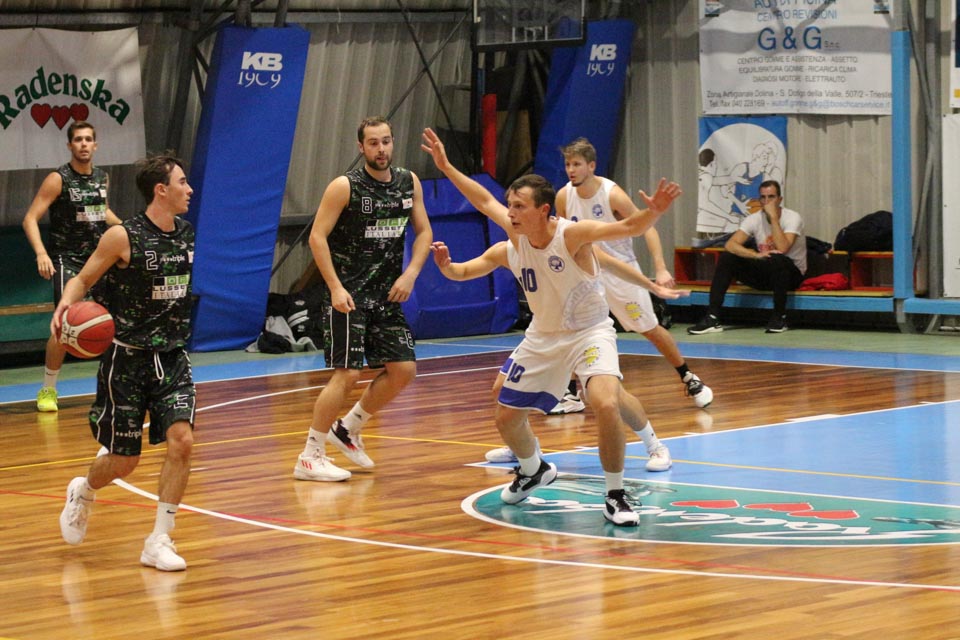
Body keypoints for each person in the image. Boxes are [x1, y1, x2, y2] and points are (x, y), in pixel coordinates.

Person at [422, 127, 682, 525]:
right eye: (510, 205)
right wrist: (446, 169)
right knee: (505, 414)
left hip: (589, 332)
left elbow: (627, 229)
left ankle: (616, 494)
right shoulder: (511, 244)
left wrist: (654, 213)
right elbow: (481, 205)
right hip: (542, 337)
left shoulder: (572, 235)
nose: (510, 212)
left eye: (519, 206)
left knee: (606, 402)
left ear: (543, 210)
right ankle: (534, 469)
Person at [55, 152, 196, 571]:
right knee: (125, 461)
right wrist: (64, 308)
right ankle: (84, 490)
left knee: (182, 441)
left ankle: (159, 539)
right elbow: (83, 279)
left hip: (172, 357)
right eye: (182, 182)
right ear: (161, 190)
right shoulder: (122, 236)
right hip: (127, 361)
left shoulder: (187, 234)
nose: (189, 189)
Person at [293, 116, 433, 482]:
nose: (381, 149)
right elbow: (317, 237)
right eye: (373, 143)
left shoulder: (408, 182)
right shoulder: (345, 186)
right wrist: (335, 287)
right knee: (348, 373)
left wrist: (411, 273)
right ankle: (310, 455)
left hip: (386, 295)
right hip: (349, 296)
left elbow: (424, 232)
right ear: (361, 147)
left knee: (404, 370)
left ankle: (348, 428)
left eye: (386, 141)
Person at [22, 120, 122, 412]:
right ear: (70, 145)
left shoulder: (102, 177)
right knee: (62, 324)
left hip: (99, 258)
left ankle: (112, 387)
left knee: (113, 323)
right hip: (68, 259)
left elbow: (102, 211)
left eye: (88, 139)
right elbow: (30, 218)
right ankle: (48, 390)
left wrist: (128, 229)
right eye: (78, 139)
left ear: (95, 145)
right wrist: (41, 253)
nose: (83, 144)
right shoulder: (58, 179)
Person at [687, 179, 806, 334]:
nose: (767, 201)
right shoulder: (754, 219)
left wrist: (774, 219)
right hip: (766, 274)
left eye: (771, 197)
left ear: (779, 199)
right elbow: (730, 244)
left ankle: (779, 317)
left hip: (791, 276)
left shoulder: (793, 218)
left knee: (777, 258)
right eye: (763, 197)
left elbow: (783, 248)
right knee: (727, 257)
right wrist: (755, 255)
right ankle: (712, 317)